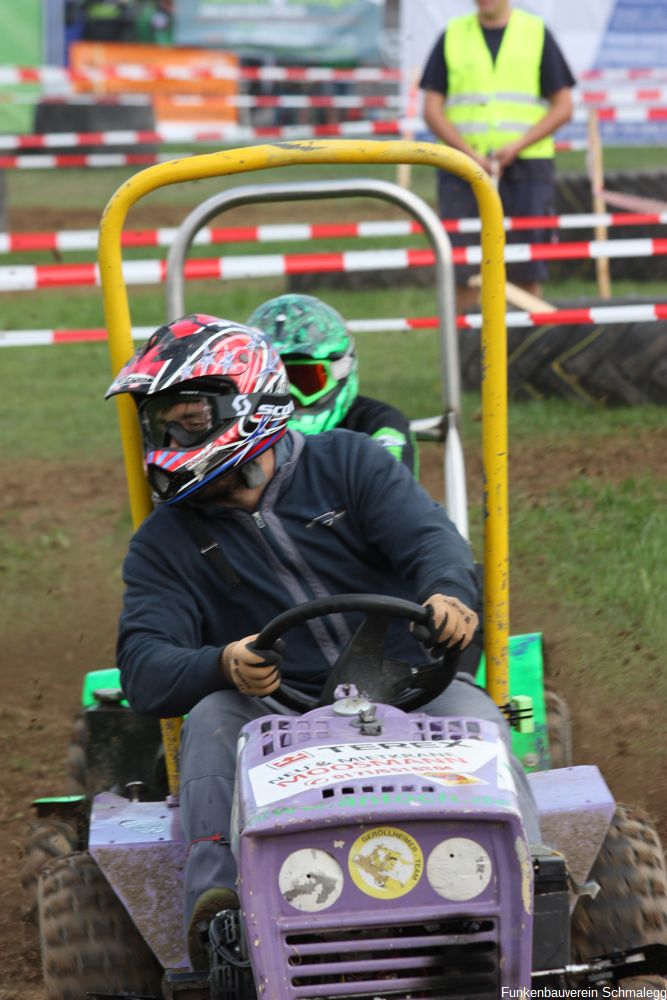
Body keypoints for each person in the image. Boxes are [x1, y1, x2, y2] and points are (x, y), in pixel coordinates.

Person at [105, 313, 541, 970]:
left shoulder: (350, 463)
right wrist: (220, 663)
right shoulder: (164, 543)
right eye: (161, 420)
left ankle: (532, 885)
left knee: (477, 718)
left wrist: (448, 592)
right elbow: (142, 666)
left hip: (410, 689)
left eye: (187, 416)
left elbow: (429, 541)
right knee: (211, 717)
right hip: (275, 712)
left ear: (245, 400)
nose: (169, 433)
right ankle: (221, 911)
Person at [419, 0, 576, 314]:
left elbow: (564, 106)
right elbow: (431, 108)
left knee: (525, 266)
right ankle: (464, 355)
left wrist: (516, 146)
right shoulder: (452, 35)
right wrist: (468, 154)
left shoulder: (535, 32)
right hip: (461, 171)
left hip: (527, 170)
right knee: (463, 268)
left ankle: (524, 354)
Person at [248, 294, 419, 476]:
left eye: (306, 380)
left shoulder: (380, 424)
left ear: (341, 371)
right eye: (272, 383)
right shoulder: (239, 428)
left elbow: (391, 493)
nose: (288, 398)